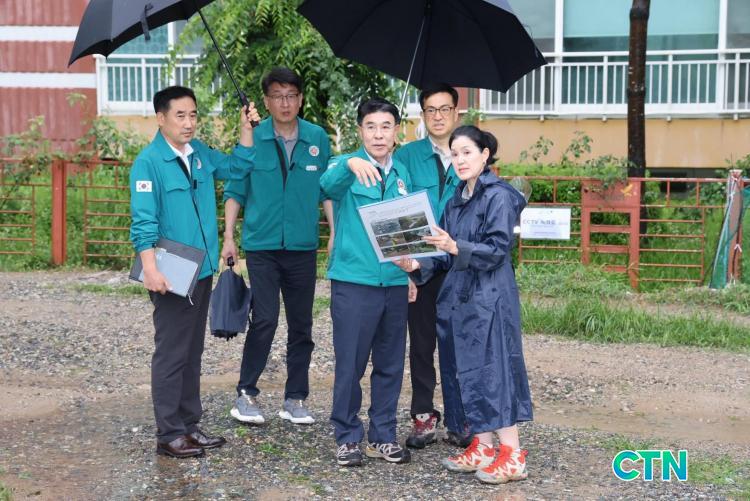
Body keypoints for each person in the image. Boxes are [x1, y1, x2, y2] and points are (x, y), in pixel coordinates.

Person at [396, 125, 533, 484]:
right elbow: (442, 254)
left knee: (493, 370)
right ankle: (483, 446)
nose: (459, 160)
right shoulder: (457, 198)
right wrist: (416, 265)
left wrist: (457, 247)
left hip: (490, 297)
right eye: (454, 154)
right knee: (465, 371)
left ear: (485, 155)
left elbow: (497, 249)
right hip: (459, 297)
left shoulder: (499, 196)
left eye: (467, 152)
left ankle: (513, 454)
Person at [129, 85, 260, 458]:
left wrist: (246, 130)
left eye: (193, 115)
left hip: (200, 269)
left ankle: (189, 425)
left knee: (191, 351)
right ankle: (169, 434)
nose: (188, 123)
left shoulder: (198, 153)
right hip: (170, 272)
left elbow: (238, 167)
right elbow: (143, 222)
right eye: (180, 116)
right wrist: (150, 269)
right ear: (161, 118)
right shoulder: (148, 163)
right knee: (171, 353)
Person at [222, 67, 333, 426]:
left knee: (302, 325)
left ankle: (295, 399)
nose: (285, 103)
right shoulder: (253, 136)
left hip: (302, 247)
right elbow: (236, 189)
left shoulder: (317, 137)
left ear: (301, 99)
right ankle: (246, 393)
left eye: (291, 95)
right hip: (262, 246)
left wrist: (334, 232)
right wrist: (228, 237)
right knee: (265, 318)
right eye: (277, 96)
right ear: (266, 102)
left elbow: (327, 189)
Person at [320, 98, 413, 467]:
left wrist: (411, 273)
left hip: (394, 282)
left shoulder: (402, 173)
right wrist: (349, 163)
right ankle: (347, 437)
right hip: (354, 282)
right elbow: (326, 186)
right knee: (351, 364)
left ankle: (383, 435)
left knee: (390, 363)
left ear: (396, 131)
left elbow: (408, 228)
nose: (378, 134)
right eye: (371, 126)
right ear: (360, 130)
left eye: (386, 126)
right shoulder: (345, 166)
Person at [393, 83, 465, 449]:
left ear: (456, 113)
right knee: (421, 344)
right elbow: (398, 209)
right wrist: (406, 267)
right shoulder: (406, 156)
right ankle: (423, 415)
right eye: (431, 110)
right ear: (422, 115)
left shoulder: (469, 151)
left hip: (459, 265)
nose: (438, 116)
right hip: (421, 267)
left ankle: (460, 418)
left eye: (444, 109)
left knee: (458, 344)